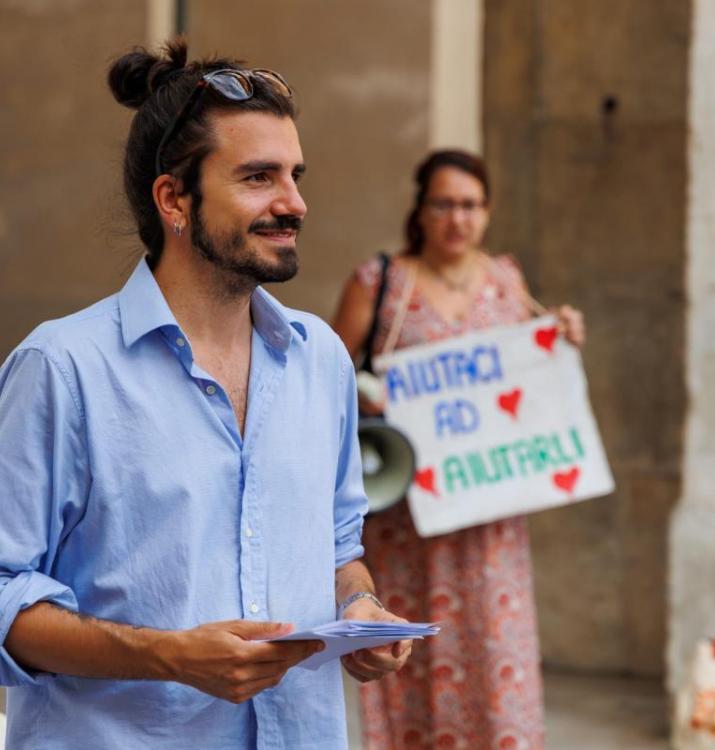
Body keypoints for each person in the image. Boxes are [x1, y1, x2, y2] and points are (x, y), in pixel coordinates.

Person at [0, 40, 411, 750]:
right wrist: (169, 656)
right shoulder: (62, 368)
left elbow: (339, 547)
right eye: (258, 177)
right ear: (173, 200)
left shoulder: (321, 359)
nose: (294, 203)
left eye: (294, 176)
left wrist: (360, 605)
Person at [332, 149, 585, 750]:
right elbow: (327, 378)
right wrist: (366, 397)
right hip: (408, 521)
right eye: (443, 204)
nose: (457, 218)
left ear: (488, 212)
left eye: (470, 205)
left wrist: (561, 335)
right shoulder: (380, 281)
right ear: (420, 210)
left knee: (498, 659)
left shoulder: (506, 281)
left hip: (489, 521)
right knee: (414, 661)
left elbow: (529, 375)